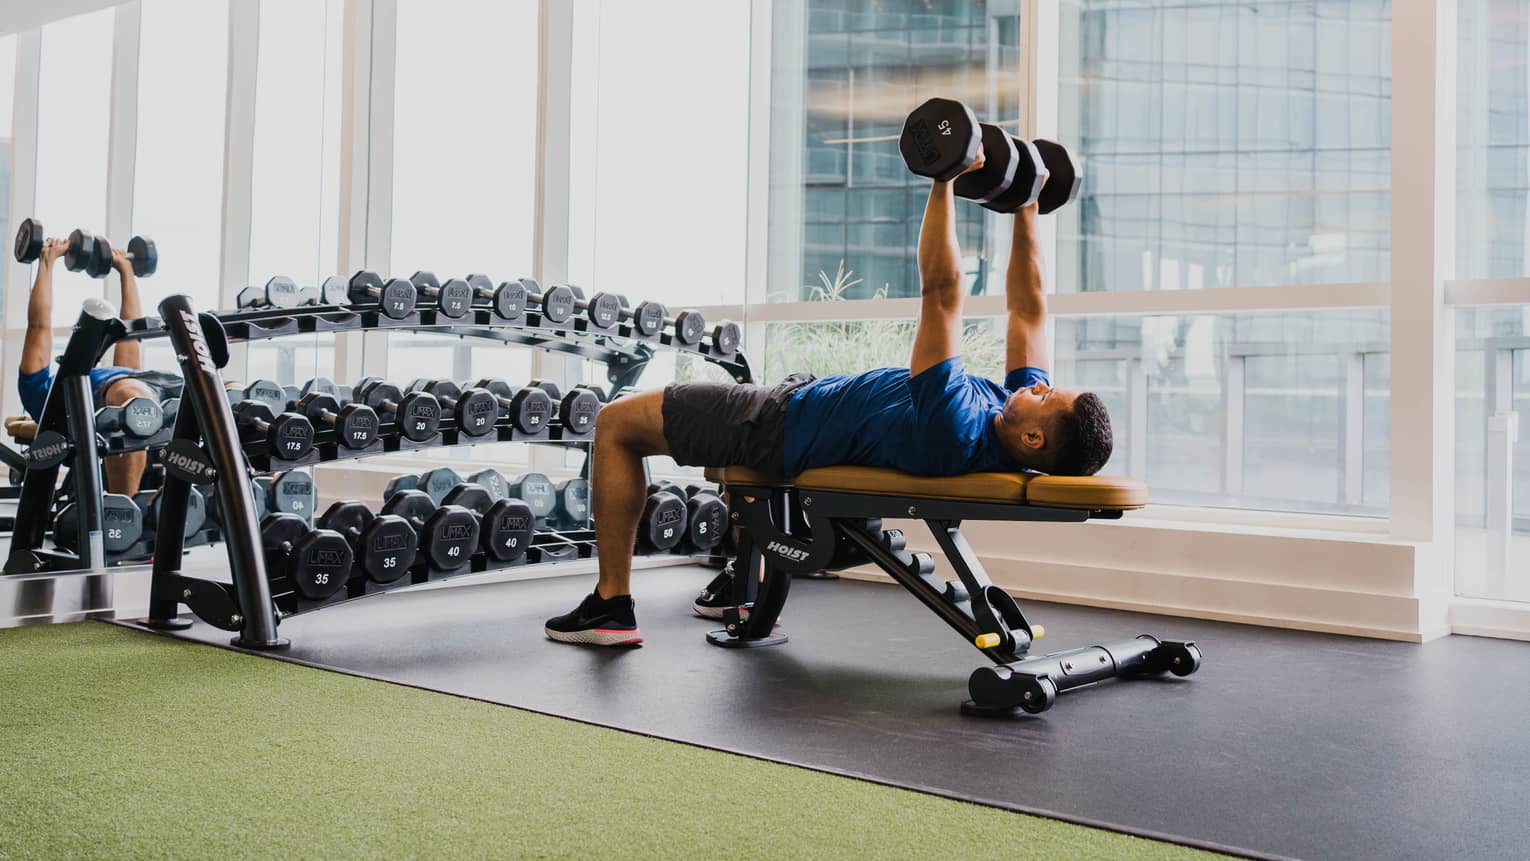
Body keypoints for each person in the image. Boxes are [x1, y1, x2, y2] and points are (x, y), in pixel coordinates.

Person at [545, 149, 1114, 647]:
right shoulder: (1005, 420)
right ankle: (735, 589)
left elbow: (941, 293)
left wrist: (943, 180)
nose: (1035, 384)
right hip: (801, 405)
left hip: (776, 424)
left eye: (1044, 394)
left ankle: (611, 605)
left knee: (617, 422)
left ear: (1033, 438)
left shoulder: (958, 425)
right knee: (740, 410)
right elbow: (1029, 307)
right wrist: (1027, 205)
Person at [17, 238, 178, 497]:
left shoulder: (119, 379)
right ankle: (123, 514)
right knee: (133, 406)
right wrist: (46, 261)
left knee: (228, 399)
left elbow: (129, 331)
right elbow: (39, 325)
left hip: (157, 386)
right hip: (130, 397)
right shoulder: (39, 390)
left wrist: (126, 269)